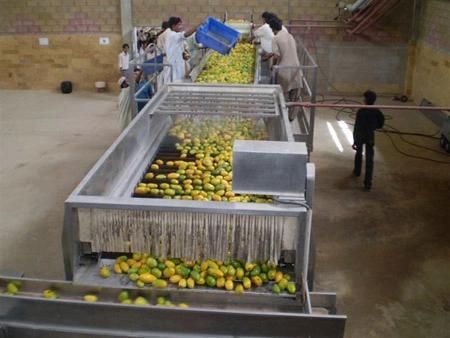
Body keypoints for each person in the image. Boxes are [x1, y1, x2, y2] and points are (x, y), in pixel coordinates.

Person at [267, 18, 302, 120]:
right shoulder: (290, 35)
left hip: (284, 69)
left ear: (272, 29)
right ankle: (291, 118)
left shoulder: (276, 38)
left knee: (283, 95)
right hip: (296, 68)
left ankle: (283, 120)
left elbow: (276, 55)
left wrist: (272, 66)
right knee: (295, 95)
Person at [352, 90, 385, 191]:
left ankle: (357, 171)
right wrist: (373, 127)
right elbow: (381, 122)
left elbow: (357, 126)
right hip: (370, 136)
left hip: (361, 136)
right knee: (369, 159)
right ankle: (368, 183)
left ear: (365, 100)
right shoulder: (376, 111)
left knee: (359, 153)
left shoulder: (361, 111)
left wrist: (355, 140)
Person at [165, 17, 199, 82]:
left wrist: (183, 54)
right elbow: (185, 34)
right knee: (175, 84)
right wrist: (197, 27)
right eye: (179, 25)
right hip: (174, 70)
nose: (181, 27)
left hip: (178, 67)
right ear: (173, 26)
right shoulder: (172, 35)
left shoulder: (175, 35)